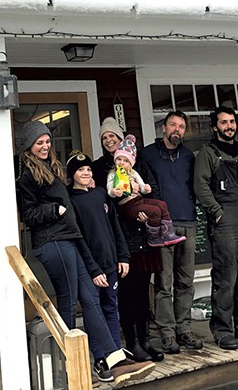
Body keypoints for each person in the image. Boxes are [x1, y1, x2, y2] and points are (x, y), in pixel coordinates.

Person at [16, 120, 155, 384]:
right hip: (52, 242)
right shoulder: (27, 176)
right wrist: (56, 209)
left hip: (67, 239)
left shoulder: (49, 168)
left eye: (47, 141)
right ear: (29, 146)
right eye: (39, 143)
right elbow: (30, 215)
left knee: (90, 300)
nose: (45, 146)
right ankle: (68, 368)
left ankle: (114, 360)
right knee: (69, 303)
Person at [193, 106, 238, 351]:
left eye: (232, 121)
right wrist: (217, 212)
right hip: (225, 222)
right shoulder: (208, 154)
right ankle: (223, 330)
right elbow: (200, 185)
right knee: (226, 277)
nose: (229, 126)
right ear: (215, 127)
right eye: (224, 122)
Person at [92, 118, 164, 363]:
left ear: (120, 137)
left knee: (144, 290)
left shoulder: (138, 162)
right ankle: (131, 341)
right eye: (105, 138)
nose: (109, 140)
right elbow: (102, 202)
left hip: (143, 235)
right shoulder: (101, 168)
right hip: (121, 237)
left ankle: (146, 340)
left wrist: (146, 206)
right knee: (126, 292)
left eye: (113, 136)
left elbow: (152, 188)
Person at [141, 110, 203, 354]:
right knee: (164, 283)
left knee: (186, 281)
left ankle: (184, 328)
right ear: (163, 128)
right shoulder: (147, 155)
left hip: (188, 221)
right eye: (173, 125)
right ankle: (167, 333)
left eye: (181, 126)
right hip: (162, 226)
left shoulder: (189, 157)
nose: (177, 129)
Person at [67, 150, 130, 360]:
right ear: (72, 174)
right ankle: (100, 357)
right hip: (91, 268)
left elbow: (115, 226)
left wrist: (123, 256)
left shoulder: (101, 193)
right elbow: (79, 238)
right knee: (94, 312)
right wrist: (93, 269)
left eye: (88, 169)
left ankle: (116, 354)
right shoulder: (71, 201)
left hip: (111, 263)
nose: (85, 173)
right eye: (80, 170)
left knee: (111, 307)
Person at [107, 134, 186, 248]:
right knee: (155, 211)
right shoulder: (113, 174)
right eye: (119, 159)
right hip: (128, 205)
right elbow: (109, 190)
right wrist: (114, 192)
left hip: (139, 200)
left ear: (131, 163)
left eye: (126, 160)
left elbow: (142, 186)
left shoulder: (134, 173)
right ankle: (154, 237)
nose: (121, 163)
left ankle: (168, 233)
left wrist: (145, 188)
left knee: (162, 205)